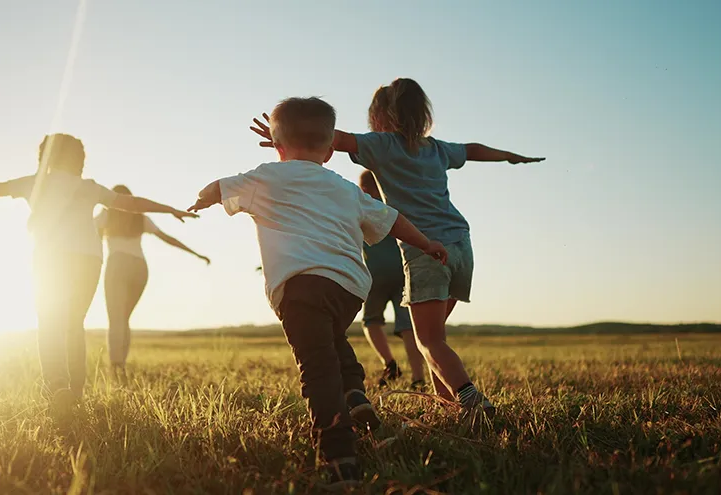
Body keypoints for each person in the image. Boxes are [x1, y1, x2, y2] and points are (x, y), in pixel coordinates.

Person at [251, 78, 544, 423]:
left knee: (429, 342)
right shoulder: (436, 148)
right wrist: (510, 157)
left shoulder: (382, 145)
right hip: (461, 246)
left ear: (380, 116)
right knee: (436, 338)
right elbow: (474, 148)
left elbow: (328, 137)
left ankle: (471, 400)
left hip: (426, 250)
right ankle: (445, 408)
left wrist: (282, 137)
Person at [191, 97, 447, 489]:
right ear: (329, 151)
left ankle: (339, 455)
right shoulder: (344, 188)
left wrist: (201, 200)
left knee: (317, 367)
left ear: (277, 146)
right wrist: (427, 243)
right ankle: (356, 394)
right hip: (348, 290)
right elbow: (392, 219)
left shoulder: (264, 177)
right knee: (330, 340)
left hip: (300, 288)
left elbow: (218, 187)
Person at [0, 133, 197, 410]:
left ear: (47, 156)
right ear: (79, 159)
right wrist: (170, 209)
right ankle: (75, 392)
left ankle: (58, 386)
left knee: (49, 321)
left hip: (51, 258)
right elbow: (131, 204)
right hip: (89, 259)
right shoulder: (89, 187)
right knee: (74, 324)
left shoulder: (36, 183)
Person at [95, 185, 210, 383]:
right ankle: (120, 366)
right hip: (139, 268)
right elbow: (168, 238)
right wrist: (196, 254)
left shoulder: (105, 216)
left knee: (116, 320)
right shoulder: (140, 218)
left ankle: (116, 368)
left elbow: (89, 236)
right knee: (124, 319)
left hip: (117, 264)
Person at [357, 171, 426, 389]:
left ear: (364, 189)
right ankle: (418, 378)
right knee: (408, 327)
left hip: (374, 275)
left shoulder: (361, 209)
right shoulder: (396, 205)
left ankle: (390, 363)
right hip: (403, 273)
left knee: (371, 321)